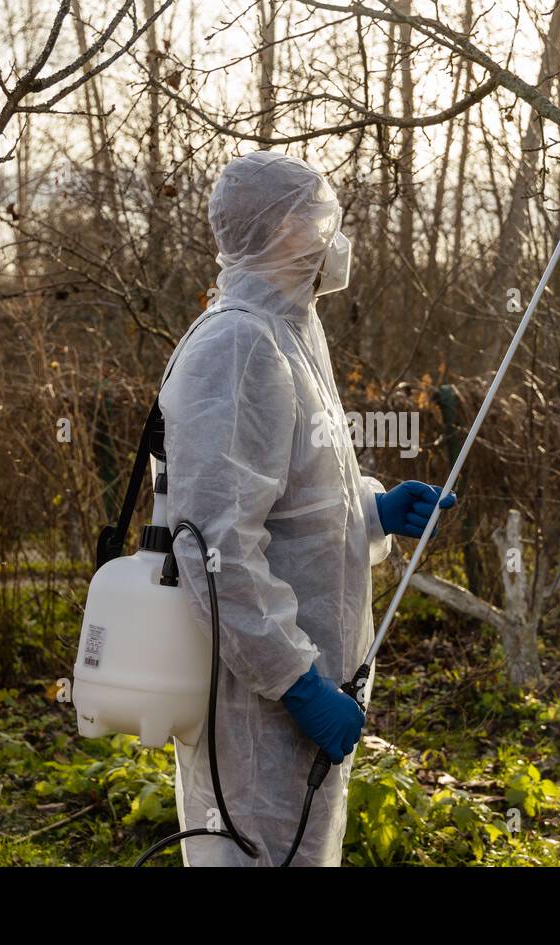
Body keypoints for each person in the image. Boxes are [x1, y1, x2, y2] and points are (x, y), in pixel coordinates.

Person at [159, 151, 455, 866]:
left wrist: (374, 511)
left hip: (305, 690)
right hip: (260, 706)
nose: (334, 239)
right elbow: (214, 544)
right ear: (286, 227)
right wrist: (295, 682)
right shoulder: (236, 346)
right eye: (321, 219)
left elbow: (293, 495)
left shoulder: (287, 334)